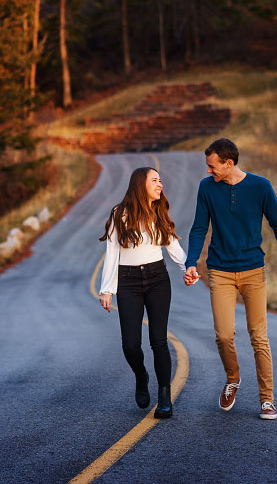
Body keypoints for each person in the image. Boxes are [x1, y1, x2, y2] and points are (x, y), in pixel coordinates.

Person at [184, 137, 277, 420]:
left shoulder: (260, 187)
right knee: (223, 335)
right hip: (219, 270)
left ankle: (267, 400)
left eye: (212, 166)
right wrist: (191, 262)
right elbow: (198, 228)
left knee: (259, 337)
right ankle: (233, 379)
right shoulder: (207, 188)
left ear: (228, 163)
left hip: (253, 271)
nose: (209, 171)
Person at [99, 167, 187, 419]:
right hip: (128, 282)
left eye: (161, 180)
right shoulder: (119, 214)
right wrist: (107, 289)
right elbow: (112, 253)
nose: (160, 184)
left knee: (158, 341)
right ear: (141, 184)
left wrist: (187, 268)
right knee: (130, 345)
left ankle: (164, 399)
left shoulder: (160, 212)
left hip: (158, 279)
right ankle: (141, 375)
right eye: (155, 180)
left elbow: (173, 246)